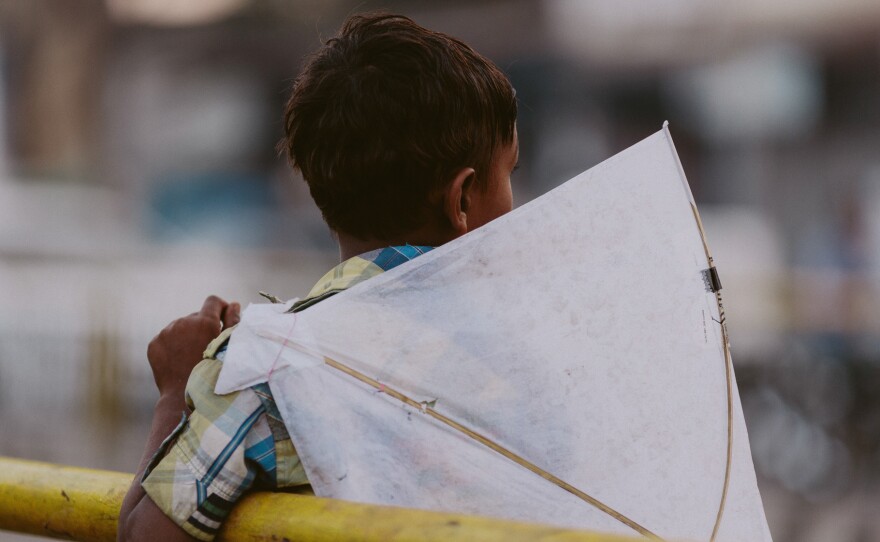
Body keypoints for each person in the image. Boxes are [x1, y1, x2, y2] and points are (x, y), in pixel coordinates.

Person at [117, 12, 519, 541]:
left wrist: (174, 392)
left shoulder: (273, 368)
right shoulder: (518, 359)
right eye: (510, 174)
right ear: (462, 198)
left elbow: (145, 536)